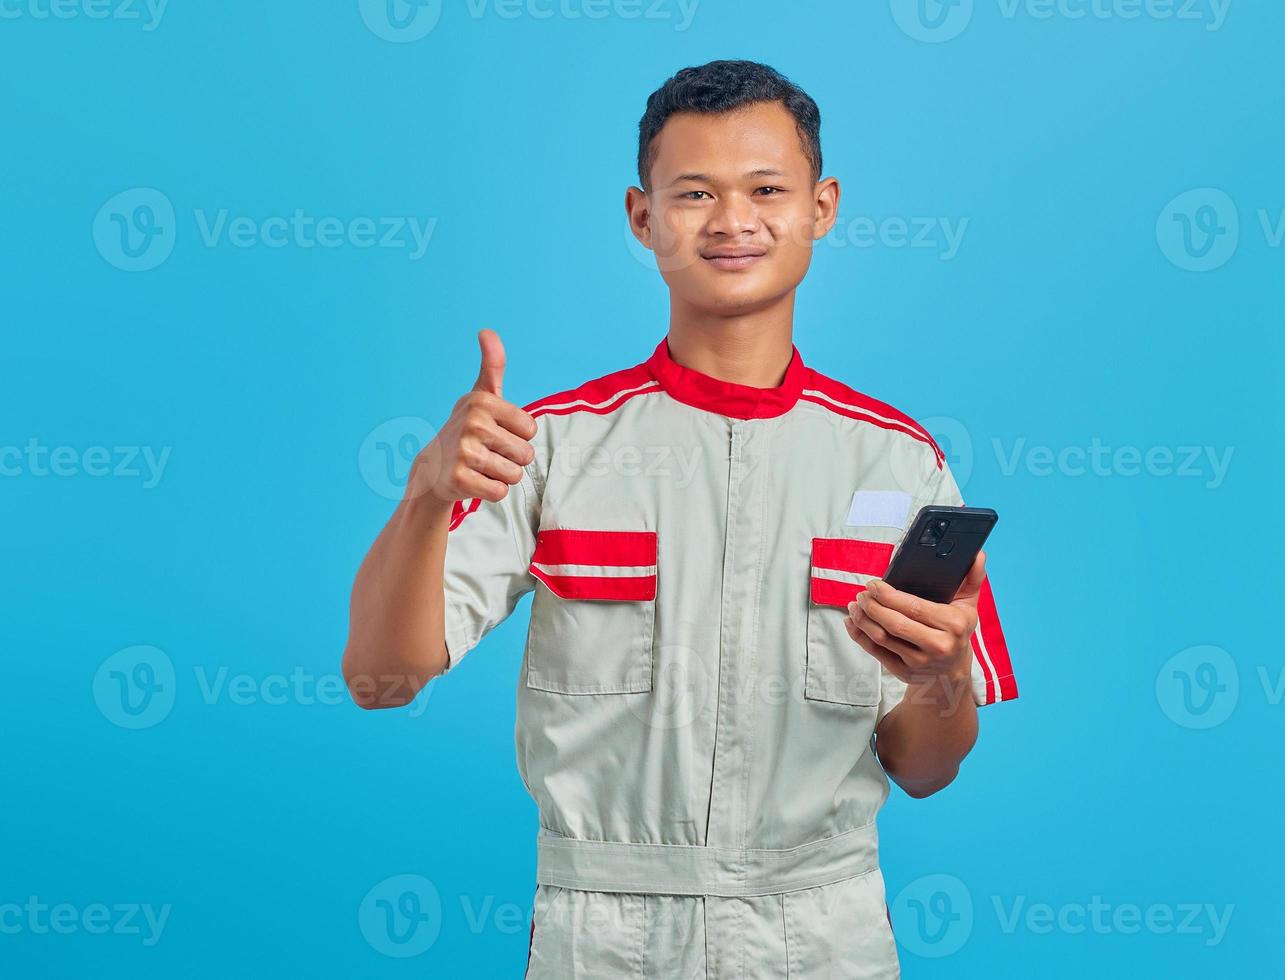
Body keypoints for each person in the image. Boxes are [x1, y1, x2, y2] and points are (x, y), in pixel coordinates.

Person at [342, 59, 1017, 978]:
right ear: (642, 216)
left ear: (821, 207)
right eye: (695, 192)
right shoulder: (548, 445)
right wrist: (425, 496)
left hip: (822, 932)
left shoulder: (899, 462)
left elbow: (927, 770)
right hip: (603, 934)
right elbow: (381, 676)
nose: (734, 221)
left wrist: (944, 682)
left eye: (767, 189)